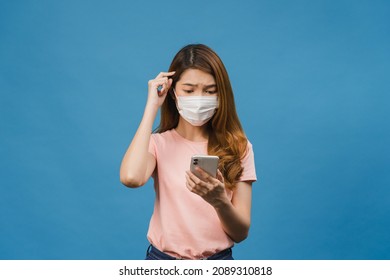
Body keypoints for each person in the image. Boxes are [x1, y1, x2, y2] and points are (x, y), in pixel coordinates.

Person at [120, 44, 257, 260]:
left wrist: (219, 200)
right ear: (173, 92)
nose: (199, 98)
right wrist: (151, 106)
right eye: (189, 90)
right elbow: (130, 178)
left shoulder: (239, 147)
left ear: (221, 95)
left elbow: (240, 233)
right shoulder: (157, 144)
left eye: (210, 91)